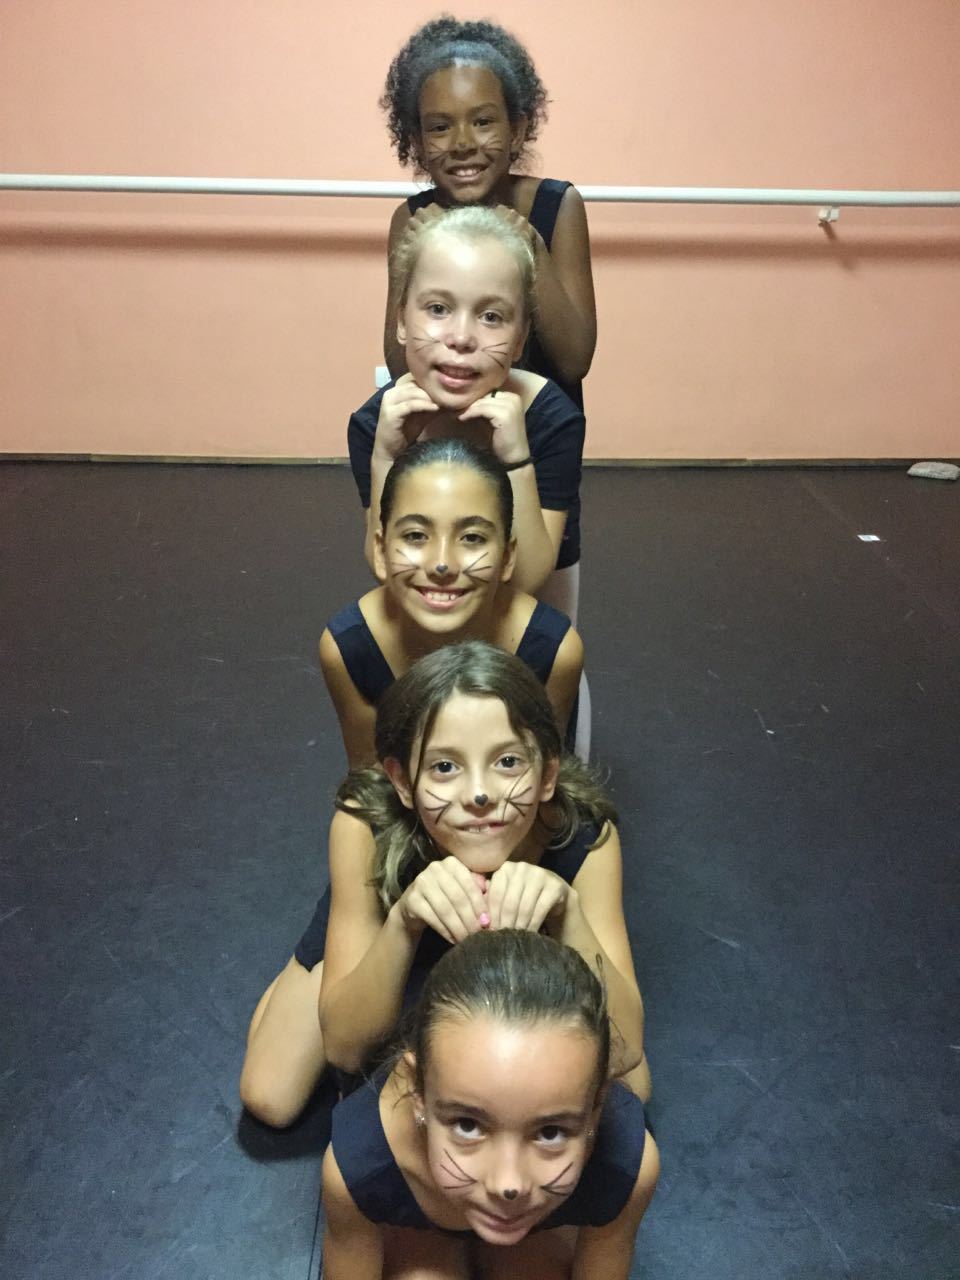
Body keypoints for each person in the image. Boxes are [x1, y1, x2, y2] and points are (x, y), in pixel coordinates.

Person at [320, 641, 651, 1100]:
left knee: (634, 1089)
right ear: (402, 782)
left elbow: (626, 1047)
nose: (480, 794)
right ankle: (314, 968)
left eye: (508, 762)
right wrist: (402, 922)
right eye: (444, 767)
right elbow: (343, 1049)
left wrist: (567, 912)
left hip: (524, 989)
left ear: (548, 774)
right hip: (387, 922)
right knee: (271, 1093)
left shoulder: (583, 836)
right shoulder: (364, 828)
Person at [322, 930, 659, 1279]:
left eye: (550, 1132)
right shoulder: (360, 1165)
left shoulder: (626, 1167)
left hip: (541, 1220)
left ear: (597, 1105)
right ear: (418, 1093)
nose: (508, 1185)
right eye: (467, 1125)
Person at [349, 205, 585, 606]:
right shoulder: (377, 423)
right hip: (425, 610)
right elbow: (385, 566)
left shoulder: (551, 420)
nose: (461, 338)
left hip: (523, 611)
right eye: (438, 309)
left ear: (519, 339)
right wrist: (385, 458)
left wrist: (517, 461)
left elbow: (526, 580)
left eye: (491, 317)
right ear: (401, 321)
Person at [320, 436, 583, 768]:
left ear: (507, 557)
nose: (442, 564)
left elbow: (541, 779)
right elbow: (368, 781)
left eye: (472, 538)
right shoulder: (352, 650)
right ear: (381, 551)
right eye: (415, 536)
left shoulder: (552, 652)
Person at [380, 16, 596, 411]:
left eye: (482, 122)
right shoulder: (411, 219)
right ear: (418, 143)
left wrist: (530, 246)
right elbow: (399, 369)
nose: (462, 143)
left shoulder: (556, 206)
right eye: (440, 127)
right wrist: (408, 264)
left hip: (540, 427)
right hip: (444, 428)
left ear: (516, 131)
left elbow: (575, 362)